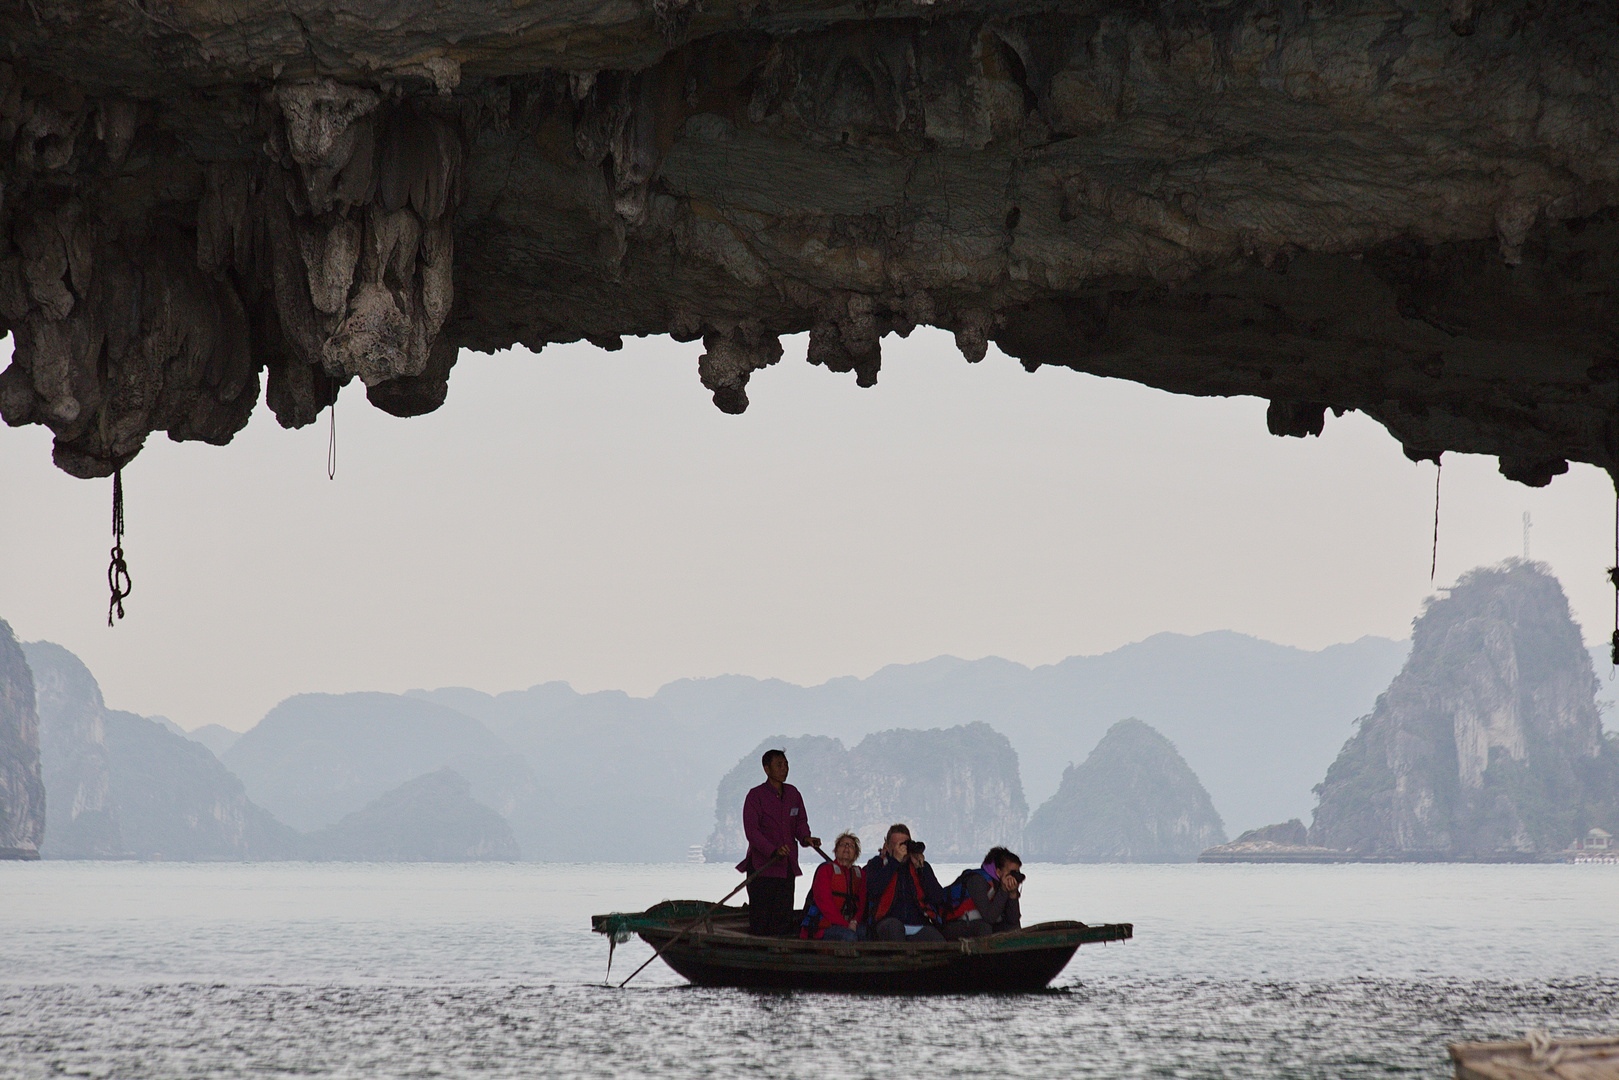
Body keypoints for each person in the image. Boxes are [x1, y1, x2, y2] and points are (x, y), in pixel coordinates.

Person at [736, 748, 821, 937]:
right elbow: (752, 832)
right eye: (779, 765)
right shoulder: (755, 796)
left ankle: (779, 951)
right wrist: (772, 851)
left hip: (786, 868)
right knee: (761, 918)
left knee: (783, 917)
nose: (784, 769)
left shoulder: (793, 794)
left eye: (786, 764)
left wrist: (806, 838)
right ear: (766, 769)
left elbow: (800, 822)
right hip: (762, 867)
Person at [863, 824, 946, 942]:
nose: (903, 849)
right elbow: (873, 890)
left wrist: (921, 869)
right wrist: (894, 862)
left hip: (918, 924)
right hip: (888, 922)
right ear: (887, 846)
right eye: (898, 845)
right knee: (894, 930)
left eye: (905, 844)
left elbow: (937, 897)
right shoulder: (877, 864)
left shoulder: (919, 865)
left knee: (938, 941)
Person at [940, 846, 1023, 940]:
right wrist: (1003, 890)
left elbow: (1013, 919)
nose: (1014, 876)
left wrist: (1013, 894)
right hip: (953, 925)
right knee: (984, 927)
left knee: (1013, 927)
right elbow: (989, 917)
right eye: (1011, 872)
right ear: (998, 872)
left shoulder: (1000, 883)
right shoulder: (977, 881)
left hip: (977, 923)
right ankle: (986, 954)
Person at [801, 832, 867, 941]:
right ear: (835, 851)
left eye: (850, 846)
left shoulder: (860, 874)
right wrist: (845, 925)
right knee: (849, 937)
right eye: (843, 844)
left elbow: (863, 903)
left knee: (866, 934)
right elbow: (825, 903)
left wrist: (855, 921)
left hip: (851, 924)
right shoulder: (825, 870)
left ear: (856, 854)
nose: (846, 847)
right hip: (825, 927)